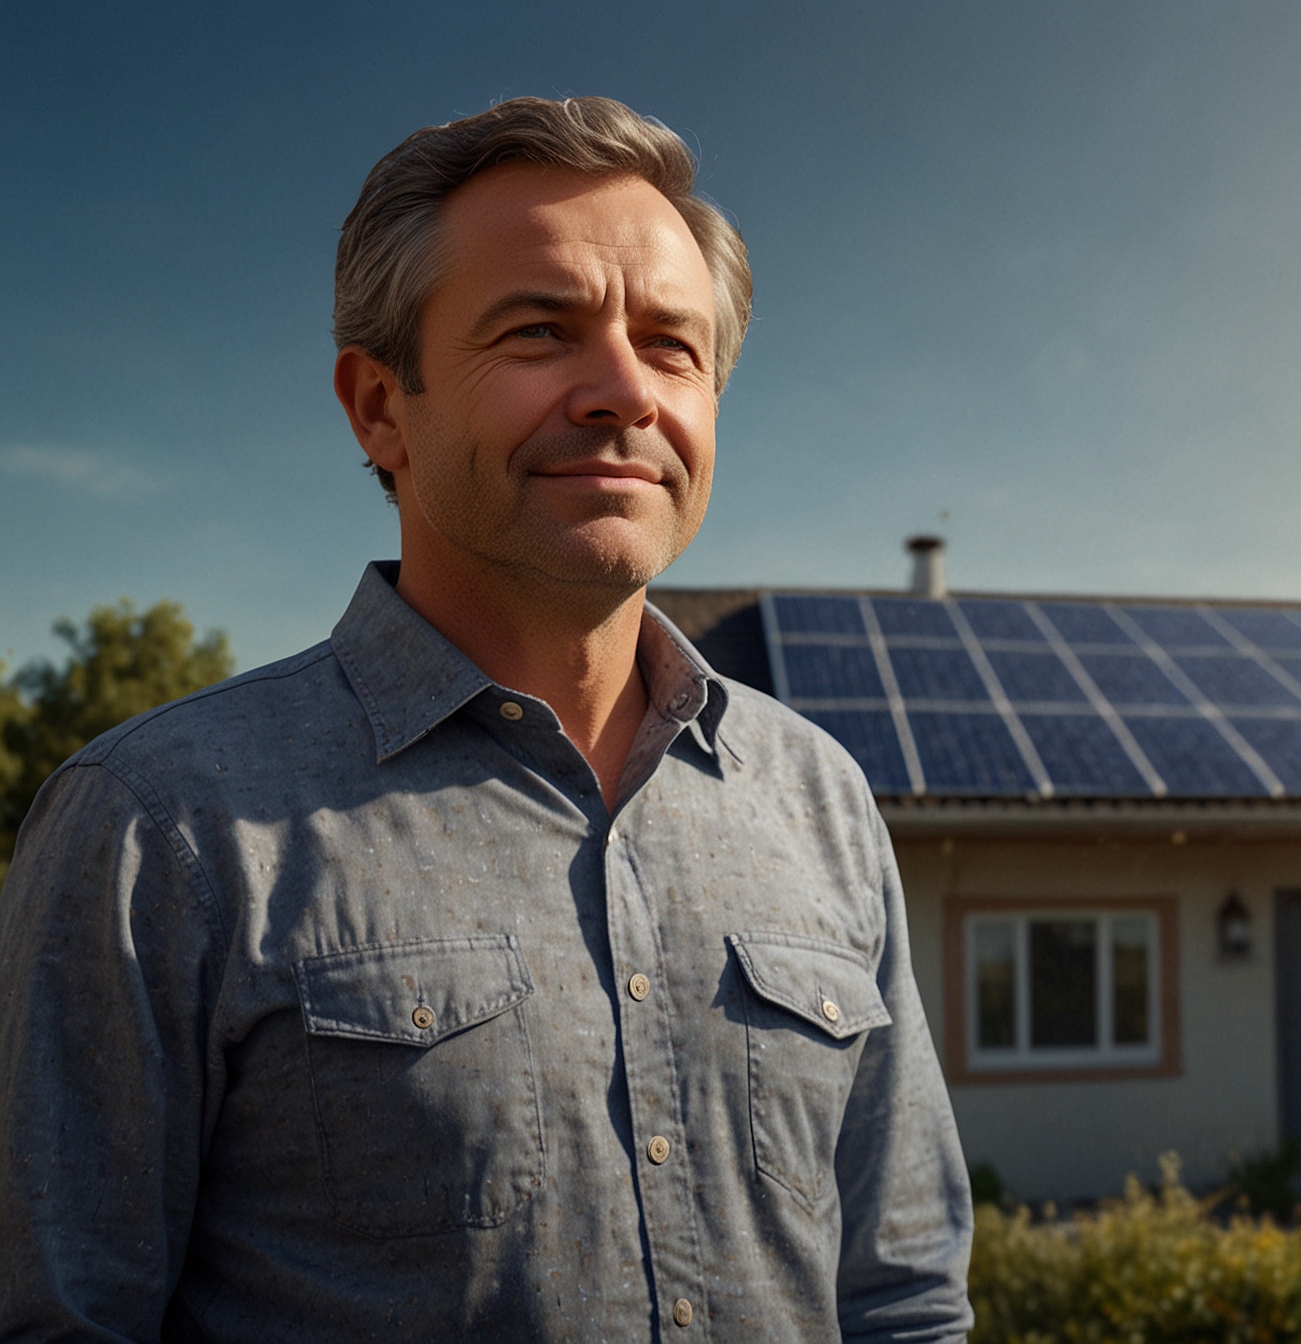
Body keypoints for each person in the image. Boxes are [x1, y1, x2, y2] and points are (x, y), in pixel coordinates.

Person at [0, 96, 974, 1342]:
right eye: (539, 332)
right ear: (377, 408)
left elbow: (900, 1296)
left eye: (675, 348)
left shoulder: (819, 799)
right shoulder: (159, 825)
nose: (624, 390)